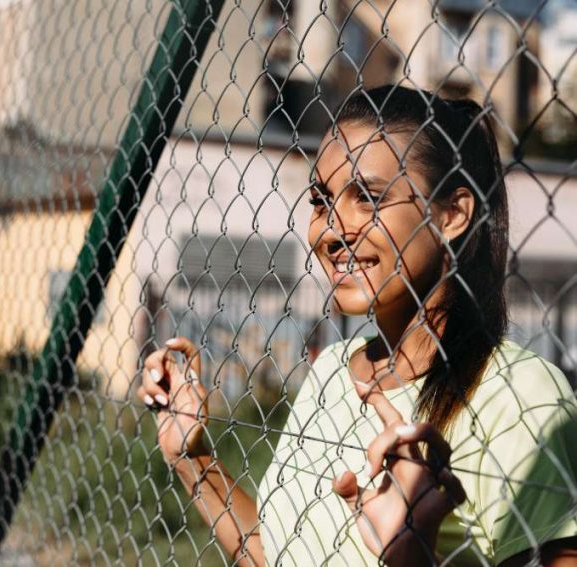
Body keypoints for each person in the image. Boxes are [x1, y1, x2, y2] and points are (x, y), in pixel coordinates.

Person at [137, 85, 577, 566]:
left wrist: (411, 554)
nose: (331, 229)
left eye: (367, 197)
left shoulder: (521, 394)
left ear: (452, 214)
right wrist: (192, 457)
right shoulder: (332, 371)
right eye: (322, 201)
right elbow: (281, 556)